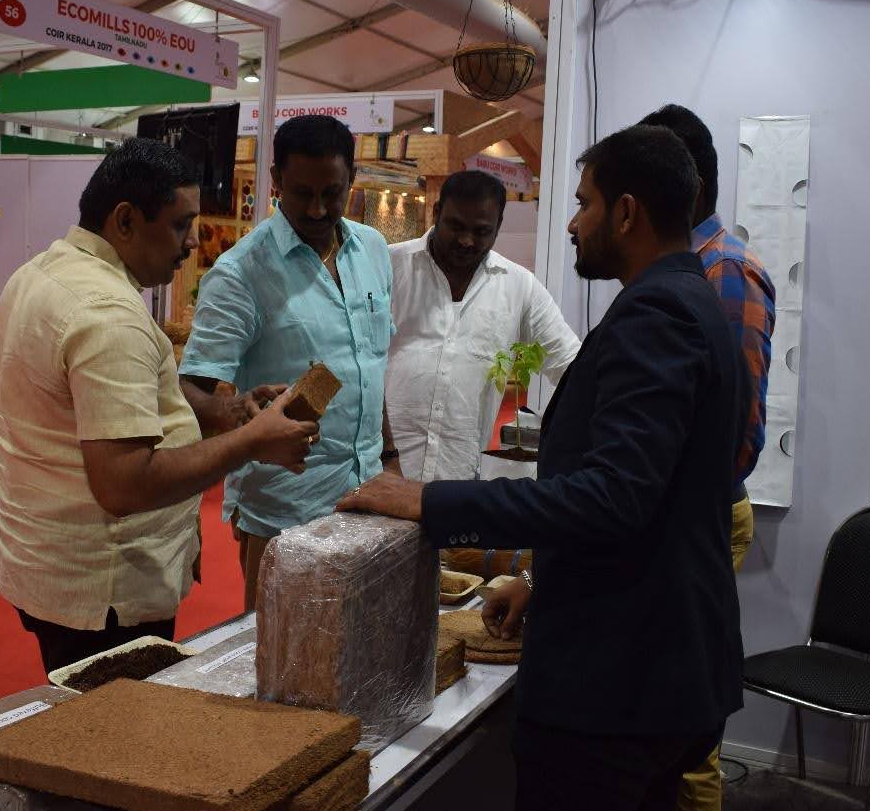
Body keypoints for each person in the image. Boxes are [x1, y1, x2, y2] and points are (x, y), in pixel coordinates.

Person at [338, 125, 746, 811]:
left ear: (625, 212)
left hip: (622, 681)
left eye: (583, 202)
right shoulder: (684, 300)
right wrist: (535, 576)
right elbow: (649, 501)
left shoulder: (659, 315)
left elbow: (613, 496)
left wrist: (431, 502)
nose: (569, 221)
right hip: (654, 666)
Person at [0, 139, 318, 673]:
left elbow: (92, 416)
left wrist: (219, 415)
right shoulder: (109, 315)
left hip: (54, 569)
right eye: (179, 224)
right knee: (109, 739)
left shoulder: (43, 272)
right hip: (105, 593)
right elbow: (124, 482)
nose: (193, 241)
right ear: (124, 221)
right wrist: (250, 442)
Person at [179, 114, 396, 612]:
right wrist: (237, 416)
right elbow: (189, 389)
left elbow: (370, 360)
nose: (319, 209)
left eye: (332, 192)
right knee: (283, 669)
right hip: (285, 512)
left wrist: (388, 455)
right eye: (301, 193)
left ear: (352, 180)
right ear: (274, 179)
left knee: (365, 654)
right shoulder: (241, 273)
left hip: (368, 497)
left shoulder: (374, 251)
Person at [638, 104, 776, 811]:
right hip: (674, 517)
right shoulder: (684, 268)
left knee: (685, 729)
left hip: (699, 518)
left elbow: (737, 434)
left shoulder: (723, 273)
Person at [387, 169, 579, 483]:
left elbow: (572, 368)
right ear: (436, 212)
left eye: (481, 231)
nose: (466, 240)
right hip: (382, 475)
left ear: (499, 226)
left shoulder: (519, 286)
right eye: (456, 226)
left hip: (459, 488)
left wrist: (560, 444)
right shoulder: (389, 267)